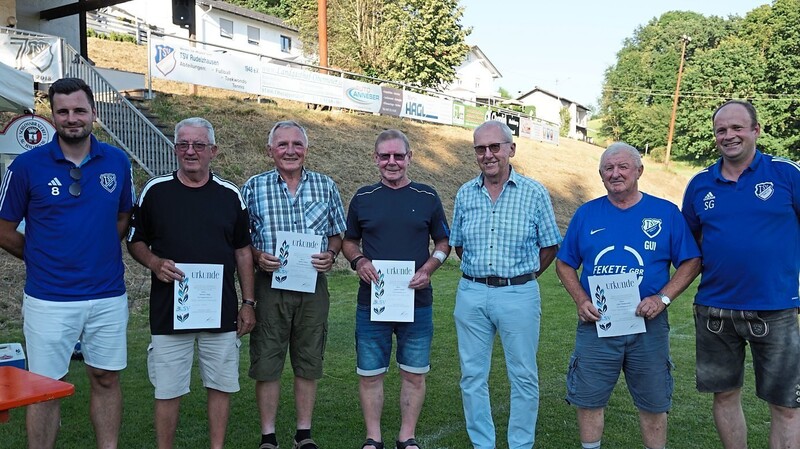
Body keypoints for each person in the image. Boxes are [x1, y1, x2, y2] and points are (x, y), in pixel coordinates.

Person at [0, 77, 134, 449]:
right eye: (63, 111)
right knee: (45, 388)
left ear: (93, 112)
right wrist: (42, 256)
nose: (72, 118)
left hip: (107, 295)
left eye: (79, 110)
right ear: (52, 116)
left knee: (106, 378)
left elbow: (123, 216)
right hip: (49, 298)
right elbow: (3, 227)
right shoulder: (27, 166)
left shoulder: (117, 161)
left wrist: (99, 247)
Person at [555, 142, 701, 449]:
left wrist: (662, 299)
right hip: (598, 324)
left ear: (639, 171)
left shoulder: (665, 213)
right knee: (589, 400)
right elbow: (565, 264)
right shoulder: (587, 214)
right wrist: (581, 300)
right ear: (601, 174)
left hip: (648, 325)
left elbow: (691, 261)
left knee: (653, 403)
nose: (615, 173)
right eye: (608, 168)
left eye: (623, 167)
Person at [126, 117, 255, 449]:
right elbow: (135, 241)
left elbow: (242, 251)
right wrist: (154, 263)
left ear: (213, 150)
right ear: (175, 148)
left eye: (198, 145)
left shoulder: (230, 195)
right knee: (168, 388)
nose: (190, 151)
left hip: (220, 310)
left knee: (221, 385)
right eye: (183, 144)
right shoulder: (155, 191)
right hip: (170, 310)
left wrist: (248, 303)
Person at [682, 100, 800, 449]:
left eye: (737, 128)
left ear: (755, 130)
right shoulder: (700, 184)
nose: (729, 135)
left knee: (787, 406)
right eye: (721, 130)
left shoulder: (786, 174)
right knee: (724, 397)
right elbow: (690, 242)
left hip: (776, 308)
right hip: (715, 310)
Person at [449, 120, 562, 449]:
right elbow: (459, 245)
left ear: (511, 149)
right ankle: (482, 443)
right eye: (480, 149)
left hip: (519, 293)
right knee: (472, 376)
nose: (488, 154)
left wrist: (521, 278)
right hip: (471, 292)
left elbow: (550, 245)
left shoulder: (534, 192)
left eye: (494, 147)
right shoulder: (465, 193)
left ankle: (520, 444)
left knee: (524, 375)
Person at [342, 130, 451, 449]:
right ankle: (373, 437)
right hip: (372, 302)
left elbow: (443, 242)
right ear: (376, 158)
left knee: (414, 373)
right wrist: (359, 260)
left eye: (398, 155)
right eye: (385, 156)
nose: (392, 162)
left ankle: (407, 436)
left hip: (416, 302)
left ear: (409, 158)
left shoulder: (427, 196)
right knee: (370, 373)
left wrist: (429, 268)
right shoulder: (363, 198)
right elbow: (349, 241)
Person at [242, 120, 346, 449]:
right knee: (268, 360)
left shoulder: (325, 186)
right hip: (269, 286)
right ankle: (268, 436)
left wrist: (331, 254)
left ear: (306, 149)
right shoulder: (253, 187)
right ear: (270, 150)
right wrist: (258, 255)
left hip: (312, 286)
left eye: (297, 145)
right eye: (283, 145)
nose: (291, 151)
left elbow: (337, 232)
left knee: (308, 359)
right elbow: (240, 240)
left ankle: (304, 433)